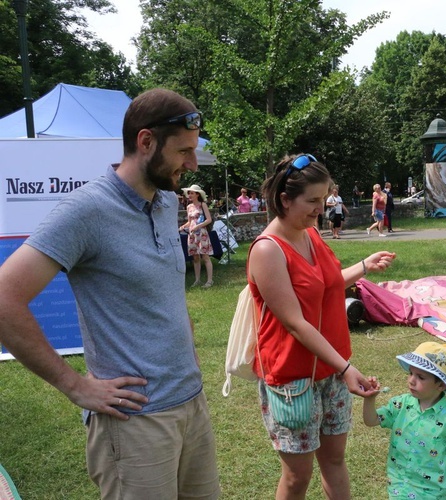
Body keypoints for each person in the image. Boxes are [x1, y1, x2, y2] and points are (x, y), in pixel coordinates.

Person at [0, 88, 220, 498]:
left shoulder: (163, 202)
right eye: (184, 151)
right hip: (135, 424)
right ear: (146, 141)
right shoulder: (87, 210)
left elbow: (164, 293)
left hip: (191, 405)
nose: (191, 164)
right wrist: (74, 385)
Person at [248, 153, 396, 499]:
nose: (321, 207)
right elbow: (295, 322)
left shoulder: (310, 234)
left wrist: (363, 265)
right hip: (292, 379)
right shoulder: (268, 250)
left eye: (324, 198)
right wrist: (345, 368)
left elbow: (326, 284)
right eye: (312, 200)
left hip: (332, 369)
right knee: (298, 476)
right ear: (284, 200)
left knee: (334, 459)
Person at [363, 342, 446, 500]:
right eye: (411, 373)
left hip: (436, 491)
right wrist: (369, 399)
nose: (411, 381)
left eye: (421, 377)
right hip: (400, 484)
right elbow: (371, 420)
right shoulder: (400, 405)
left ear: (441, 385)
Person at [180, 184, 214, 288]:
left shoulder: (202, 204)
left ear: (197, 194)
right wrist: (182, 226)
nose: (189, 195)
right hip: (192, 234)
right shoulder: (189, 207)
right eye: (189, 193)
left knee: (205, 256)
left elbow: (209, 219)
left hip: (202, 233)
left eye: (192, 193)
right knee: (195, 257)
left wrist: (198, 226)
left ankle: (209, 280)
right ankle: (197, 280)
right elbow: (190, 222)